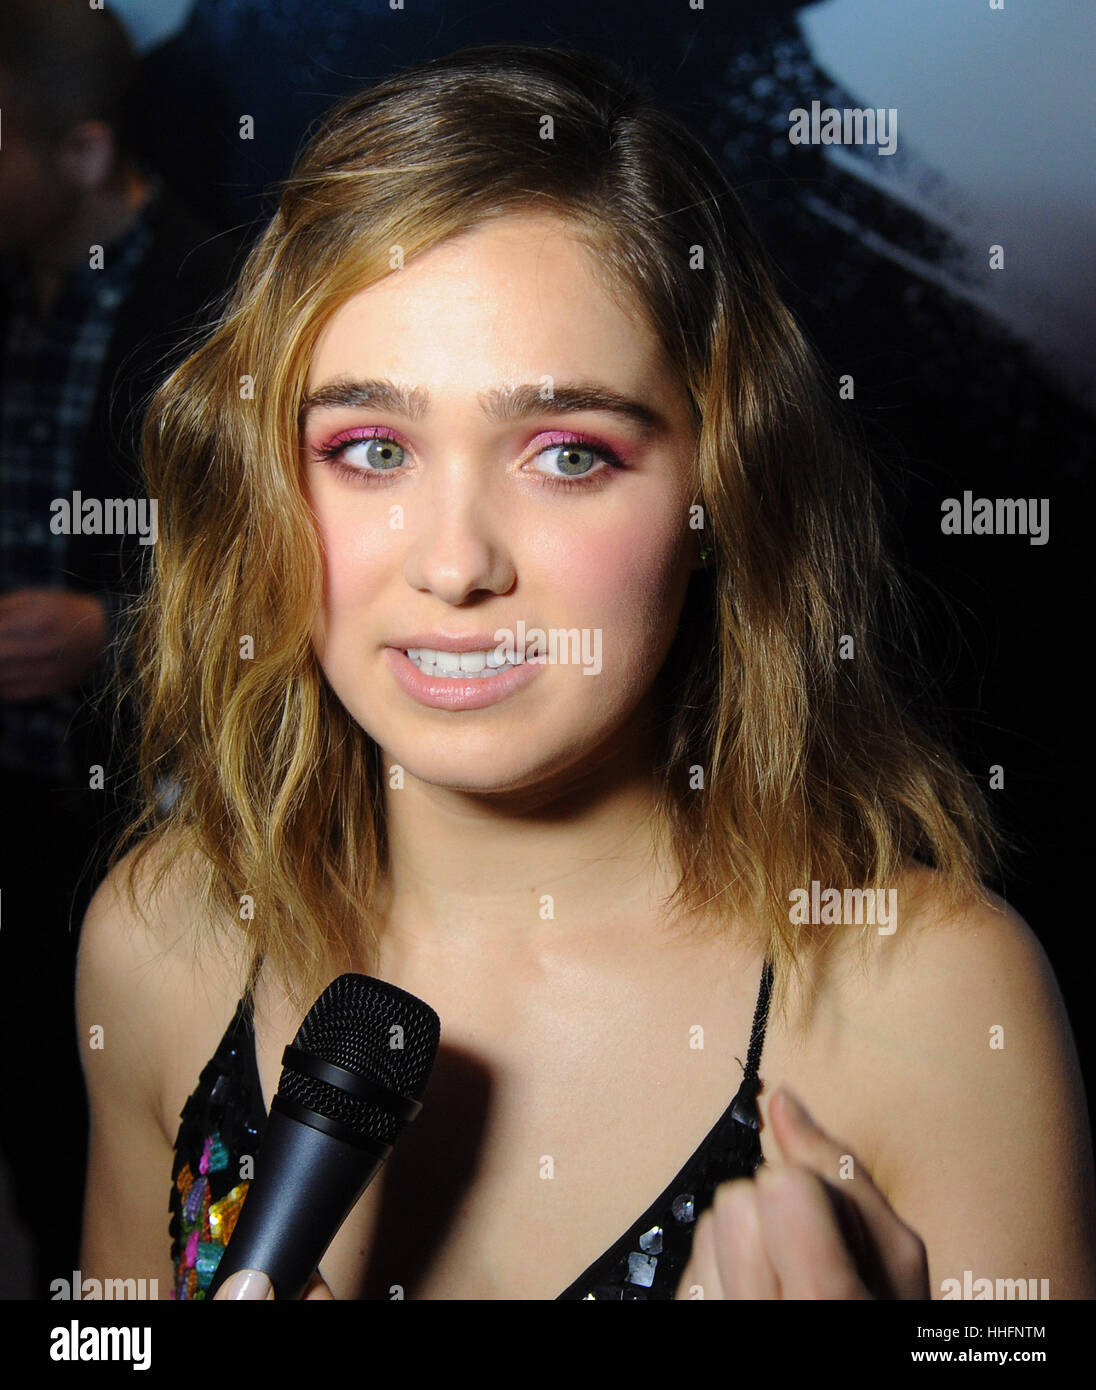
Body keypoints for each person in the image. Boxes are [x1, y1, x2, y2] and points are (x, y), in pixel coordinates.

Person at [76, 43, 1096, 1302]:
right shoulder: (161, 935)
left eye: (566, 454)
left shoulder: (928, 996)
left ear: (718, 490)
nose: (454, 567)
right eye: (369, 447)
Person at [0, 0, 239, 1296]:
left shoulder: (211, 295)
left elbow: (278, 575)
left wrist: (112, 625)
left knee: (109, 1136)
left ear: (84, 152)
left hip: (123, 819)